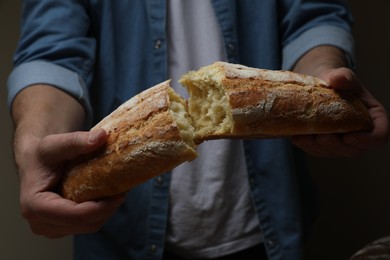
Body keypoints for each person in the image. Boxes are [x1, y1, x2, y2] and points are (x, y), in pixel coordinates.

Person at [7, 1, 389, 259]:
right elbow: (52, 50)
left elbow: (313, 14)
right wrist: (37, 144)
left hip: (266, 226)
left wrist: (324, 80)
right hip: (123, 236)